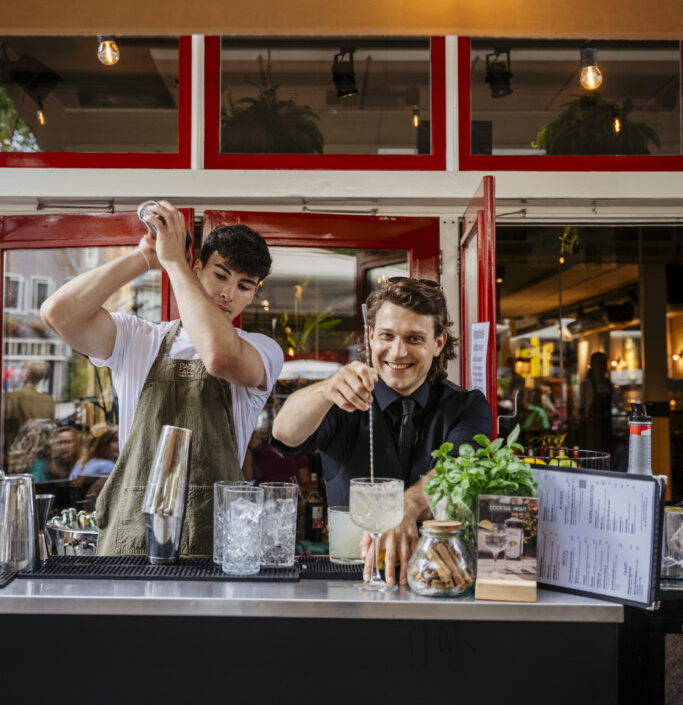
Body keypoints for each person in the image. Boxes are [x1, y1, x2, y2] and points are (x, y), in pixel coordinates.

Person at [41, 201, 284, 556]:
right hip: (130, 540)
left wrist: (175, 264)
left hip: (213, 543)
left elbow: (219, 356)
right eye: (220, 275)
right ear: (197, 268)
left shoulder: (261, 350)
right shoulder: (138, 338)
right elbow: (58, 313)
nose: (228, 294)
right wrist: (144, 258)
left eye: (244, 286)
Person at [271, 277, 492, 586]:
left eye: (414, 338)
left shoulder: (467, 407)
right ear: (372, 336)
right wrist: (323, 390)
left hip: (438, 579)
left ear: (438, 343)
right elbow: (284, 434)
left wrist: (406, 506)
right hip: (349, 579)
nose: (398, 352)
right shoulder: (342, 398)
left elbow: (457, 469)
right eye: (387, 336)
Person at [3, 360, 55, 468]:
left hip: (17, 453)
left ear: (28, 373)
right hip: (42, 453)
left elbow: (6, 426)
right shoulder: (48, 400)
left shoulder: (13, 396)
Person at [579, 350, 614, 456]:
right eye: (599, 363)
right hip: (591, 428)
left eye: (604, 363)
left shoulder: (609, 385)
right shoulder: (586, 385)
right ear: (592, 365)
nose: (602, 367)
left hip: (607, 426)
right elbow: (580, 408)